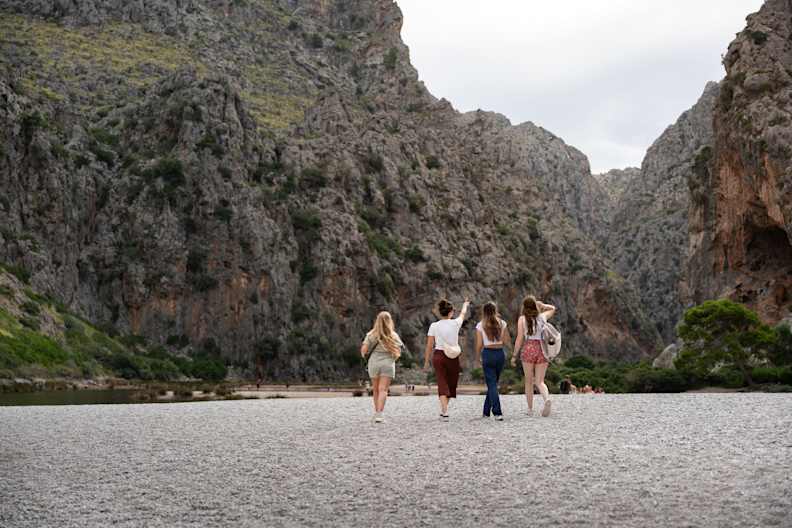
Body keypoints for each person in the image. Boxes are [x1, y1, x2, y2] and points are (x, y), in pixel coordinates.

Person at [424, 297, 470, 420]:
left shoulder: (434, 326)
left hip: (438, 356)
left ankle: (444, 409)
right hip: (453, 356)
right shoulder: (455, 323)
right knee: (450, 383)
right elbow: (463, 313)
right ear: (451, 312)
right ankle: (445, 410)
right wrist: (465, 304)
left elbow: (429, 345)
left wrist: (426, 361)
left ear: (440, 312)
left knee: (442, 382)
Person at [511, 295, 556, 417]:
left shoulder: (522, 319)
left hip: (529, 348)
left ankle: (530, 409)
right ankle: (546, 399)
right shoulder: (542, 317)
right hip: (542, 349)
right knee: (540, 381)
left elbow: (519, 338)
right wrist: (543, 305)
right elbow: (553, 308)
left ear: (524, 307)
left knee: (529, 381)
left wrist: (514, 355)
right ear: (535, 306)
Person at [360, 311, 404, 423]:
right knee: (383, 390)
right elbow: (399, 351)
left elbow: (363, 351)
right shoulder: (394, 335)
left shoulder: (371, 334)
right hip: (388, 364)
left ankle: (376, 413)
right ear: (390, 321)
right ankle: (379, 414)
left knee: (375, 390)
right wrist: (392, 357)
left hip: (374, 363)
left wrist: (368, 355)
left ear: (377, 321)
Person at [475, 302, 510, 420]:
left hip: (488, 354)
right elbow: (506, 341)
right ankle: (486, 411)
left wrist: (477, 357)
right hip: (500, 354)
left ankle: (497, 412)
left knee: (492, 384)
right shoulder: (502, 323)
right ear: (495, 310)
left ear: (484, 311)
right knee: (493, 384)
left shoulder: (481, 325)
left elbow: (479, 344)